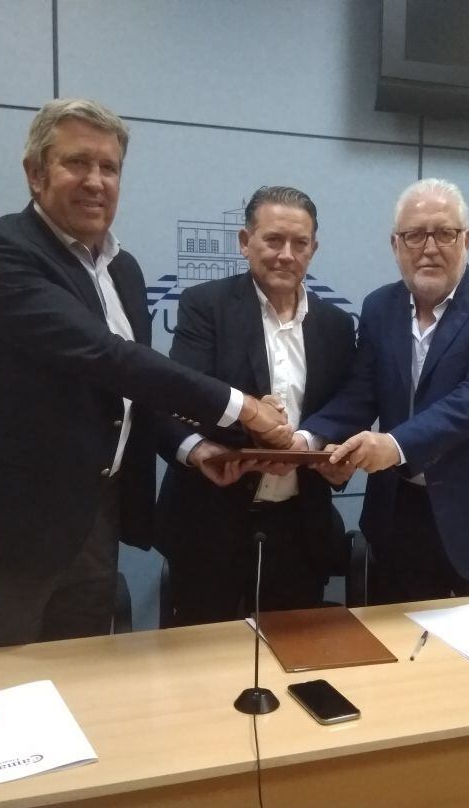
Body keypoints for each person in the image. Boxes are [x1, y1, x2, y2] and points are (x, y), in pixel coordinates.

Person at [0, 99, 289, 653]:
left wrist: (197, 453)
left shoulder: (123, 270)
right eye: (76, 163)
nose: (95, 181)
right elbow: (103, 355)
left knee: (79, 696)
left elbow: (132, 392)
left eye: (109, 168)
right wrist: (244, 408)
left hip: (92, 525)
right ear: (36, 174)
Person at [301, 178, 469, 603]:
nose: (429, 247)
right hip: (400, 523)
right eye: (415, 235)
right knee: (399, 658)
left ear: (466, 239)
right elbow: (362, 392)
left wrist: (394, 444)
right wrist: (311, 439)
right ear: (396, 244)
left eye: (444, 233)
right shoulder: (379, 306)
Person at [155, 186, 357, 625]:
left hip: (300, 530)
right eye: (273, 240)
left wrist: (321, 446)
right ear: (245, 243)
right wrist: (249, 425)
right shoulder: (205, 307)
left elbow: (347, 407)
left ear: (313, 249)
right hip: (210, 523)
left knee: (293, 664)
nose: (286, 254)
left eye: (299, 243)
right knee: (201, 668)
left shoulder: (338, 325)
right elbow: (176, 401)